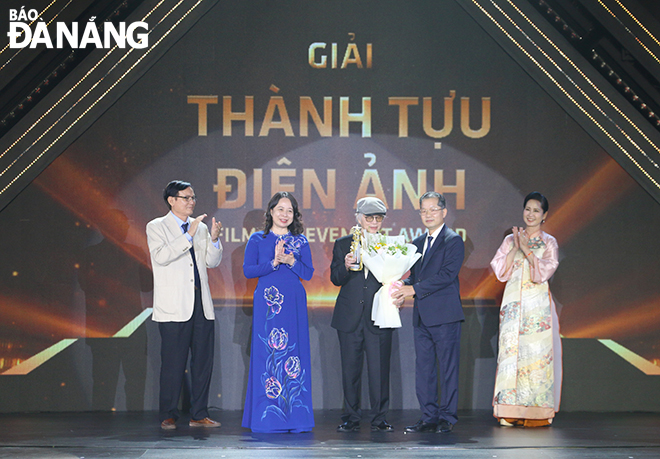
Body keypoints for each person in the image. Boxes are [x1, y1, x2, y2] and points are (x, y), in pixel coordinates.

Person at [146, 180, 223, 430]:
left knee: (202, 363)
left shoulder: (199, 228)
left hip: (201, 304)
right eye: (186, 197)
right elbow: (161, 257)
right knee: (173, 364)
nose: (191, 202)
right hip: (174, 307)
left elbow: (211, 262)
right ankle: (168, 413)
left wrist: (212, 240)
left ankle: (199, 413)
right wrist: (187, 235)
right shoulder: (157, 226)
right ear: (172, 200)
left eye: (193, 198)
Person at [392, 191, 464, 434]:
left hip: (445, 316)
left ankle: (447, 418)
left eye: (433, 209)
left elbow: (446, 276)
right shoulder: (417, 243)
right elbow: (415, 275)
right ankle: (428, 417)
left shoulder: (453, 240)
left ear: (444, 212)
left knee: (447, 369)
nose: (428, 214)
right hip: (422, 316)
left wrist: (414, 288)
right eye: (424, 210)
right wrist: (401, 287)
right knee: (424, 370)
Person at [242, 191, 315, 433]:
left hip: (293, 303)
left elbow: (308, 273)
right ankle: (268, 419)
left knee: (294, 356)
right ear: (271, 211)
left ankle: (296, 418)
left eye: (290, 211)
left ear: (295, 216)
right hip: (268, 304)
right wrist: (273, 262)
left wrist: (291, 260)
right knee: (268, 355)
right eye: (280, 209)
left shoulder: (301, 241)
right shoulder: (257, 239)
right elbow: (248, 271)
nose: (285, 215)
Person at [489, 191, 561, 427]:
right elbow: (500, 271)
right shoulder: (511, 239)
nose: (530, 214)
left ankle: (537, 412)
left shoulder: (549, 242)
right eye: (527, 209)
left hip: (537, 310)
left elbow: (544, 273)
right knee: (510, 357)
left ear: (544, 215)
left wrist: (528, 250)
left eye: (536, 211)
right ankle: (509, 410)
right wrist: (515, 246)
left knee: (536, 359)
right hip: (512, 307)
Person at [330, 197, 394, 433]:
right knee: (350, 370)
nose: (374, 223)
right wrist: (346, 265)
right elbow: (335, 278)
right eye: (369, 218)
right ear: (358, 217)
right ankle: (351, 416)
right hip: (349, 316)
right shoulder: (343, 244)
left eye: (378, 218)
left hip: (378, 315)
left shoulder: (389, 245)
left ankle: (379, 418)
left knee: (379, 371)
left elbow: (394, 277)